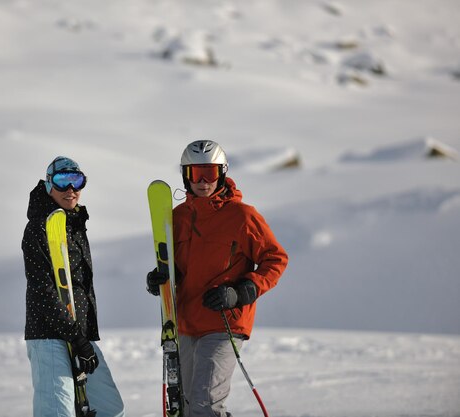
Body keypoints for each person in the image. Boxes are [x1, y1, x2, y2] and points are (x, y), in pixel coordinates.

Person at [147, 140, 288, 417]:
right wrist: (158, 280)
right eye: (195, 174)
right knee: (185, 405)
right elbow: (175, 267)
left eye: (210, 174)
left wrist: (241, 292)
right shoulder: (177, 217)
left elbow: (276, 259)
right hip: (186, 322)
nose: (203, 182)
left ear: (222, 173)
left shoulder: (242, 216)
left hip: (225, 321)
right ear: (186, 176)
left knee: (205, 403)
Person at [22, 156, 125, 417]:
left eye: (76, 182)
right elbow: (42, 290)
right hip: (49, 335)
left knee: (111, 409)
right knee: (57, 412)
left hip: (80, 334)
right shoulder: (38, 228)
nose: (70, 190)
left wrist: (82, 337)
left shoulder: (75, 225)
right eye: (62, 182)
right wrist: (75, 336)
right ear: (48, 185)